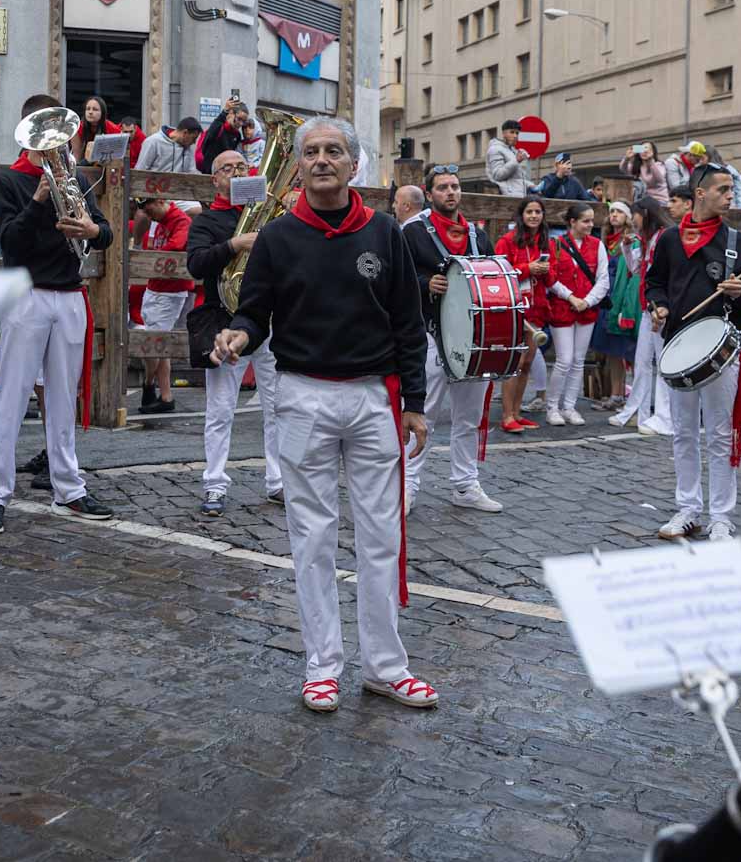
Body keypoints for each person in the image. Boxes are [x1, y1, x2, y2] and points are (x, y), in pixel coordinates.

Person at [210, 115, 436, 713]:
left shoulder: (384, 233)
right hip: (303, 395)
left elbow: (409, 325)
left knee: (381, 536)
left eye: (333, 150)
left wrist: (414, 404)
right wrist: (237, 334)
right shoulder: (278, 238)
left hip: (372, 398)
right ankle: (322, 667)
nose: (320, 160)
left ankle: (386, 667)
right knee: (311, 537)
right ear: (300, 165)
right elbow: (254, 311)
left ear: (352, 163)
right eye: (310, 152)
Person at [0, 94, 117, 536]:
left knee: (62, 397)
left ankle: (68, 487)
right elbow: (12, 245)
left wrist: (93, 229)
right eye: (47, 135)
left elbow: (105, 233)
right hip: (29, 295)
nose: (59, 145)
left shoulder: (70, 176)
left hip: (70, 294)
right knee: (12, 397)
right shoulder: (10, 181)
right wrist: (38, 201)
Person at [647, 161, 741, 541]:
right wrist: (658, 306)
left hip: (721, 350)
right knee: (683, 433)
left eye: (731, 190)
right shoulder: (669, 240)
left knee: (720, 434)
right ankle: (688, 508)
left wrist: (739, 293)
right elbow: (655, 283)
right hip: (679, 346)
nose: (730, 197)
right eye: (724, 190)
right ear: (700, 193)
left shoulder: (737, 242)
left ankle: (721, 515)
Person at [186, 149, 284, 516]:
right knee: (220, 409)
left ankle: (277, 481)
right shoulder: (207, 221)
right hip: (225, 321)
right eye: (227, 168)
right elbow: (195, 265)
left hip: (268, 321)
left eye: (242, 167)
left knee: (277, 407)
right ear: (216, 180)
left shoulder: (271, 218)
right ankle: (214, 484)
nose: (236, 172)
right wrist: (234, 245)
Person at [403, 165, 505, 514]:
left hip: (472, 339)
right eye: (443, 187)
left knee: (469, 417)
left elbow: (492, 278)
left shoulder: (477, 234)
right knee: (423, 415)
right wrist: (423, 283)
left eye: (455, 187)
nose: (451, 192)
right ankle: (407, 486)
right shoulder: (412, 231)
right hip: (430, 336)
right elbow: (397, 277)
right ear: (429, 194)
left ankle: (465, 485)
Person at [609, 196, 674, 436]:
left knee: (662, 363)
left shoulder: (663, 237)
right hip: (649, 308)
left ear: (644, 214)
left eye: (635, 215)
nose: (632, 221)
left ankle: (662, 416)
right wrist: (627, 247)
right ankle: (638, 411)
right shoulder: (647, 240)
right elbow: (636, 268)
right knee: (643, 362)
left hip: (660, 309)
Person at [544, 201, 611, 426]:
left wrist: (588, 301)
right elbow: (551, 277)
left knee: (579, 360)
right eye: (586, 221)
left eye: (592, 221)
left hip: (586, 309)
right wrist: (571, 297)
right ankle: (552, 407)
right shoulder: (556, 244)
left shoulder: (597, 245)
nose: (590, 225)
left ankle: (569, 406)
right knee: (564, 360)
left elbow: (603, 278)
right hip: (563, 307)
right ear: (572, 222)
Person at [495, 196, 553, 433]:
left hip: (536, 307)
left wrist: (547, 270)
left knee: (527, 362)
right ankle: (507, 415)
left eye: (538, 212)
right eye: (529, 212)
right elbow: (500, 273)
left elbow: (550, 279)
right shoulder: (507, 241)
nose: (534, 216)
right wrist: (529, 268)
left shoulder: (544, 242)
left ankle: (517, 412)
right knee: (514, 362)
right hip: (514, 309)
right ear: (521, 215)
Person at [134, 194, 193, 414]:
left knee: (154, 343)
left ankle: (149, 385)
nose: (148, 216)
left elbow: (176, 247)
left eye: (150, 210)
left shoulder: (181, 221)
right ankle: (165, 395)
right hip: (155, 287)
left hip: (170, 290)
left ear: (160, 201)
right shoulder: (158, 224)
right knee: (160, 343)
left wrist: (152, 257)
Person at [590, 200, 638, 411]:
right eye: (612, 211)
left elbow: (633, 274)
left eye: (619, 211)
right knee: (612, 352)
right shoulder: (605, 241)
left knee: (632, 352)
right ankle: (616, 394)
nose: (614, 215)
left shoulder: (632, 241)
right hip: (607, 301)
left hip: (624, 301)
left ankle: (637, 398)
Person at [194, 97, 260, 174]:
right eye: (239, 119)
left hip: (226, 175)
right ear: (231, 113)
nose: (241, 124)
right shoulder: (219, 127)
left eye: (244, 121)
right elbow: (211, 133)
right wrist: (225, 111)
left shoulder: (237, 135)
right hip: (210, 174)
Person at [133, 116, 202, 173]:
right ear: (185, 133)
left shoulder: (187, 148)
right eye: (193, 138)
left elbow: (191, 171)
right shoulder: (153, 142)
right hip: (154, 186)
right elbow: (140, 170)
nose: (194, 142)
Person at [487, 119, 536, 197]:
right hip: (507, 197)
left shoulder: (513, 151)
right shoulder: (495, 149)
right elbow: (497, 175)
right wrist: (516, 161)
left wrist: (531, 185)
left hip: (517, 196)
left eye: (517, 133)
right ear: (504, 133)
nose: (515, 136)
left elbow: (516, 180)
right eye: (512, 132)